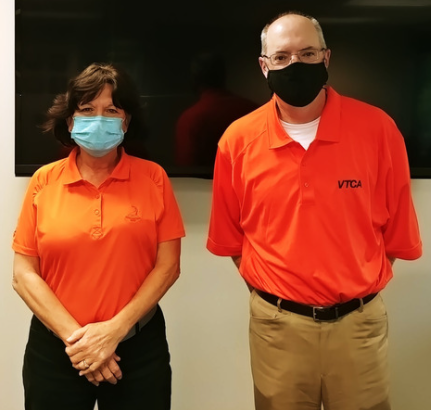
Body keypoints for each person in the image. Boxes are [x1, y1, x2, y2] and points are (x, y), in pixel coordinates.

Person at [206, 11, 422, 410]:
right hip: (276, 330)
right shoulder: (236, 141)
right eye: (282, 56)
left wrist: (352, 290)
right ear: (264, 66)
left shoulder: (378, 130)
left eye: (307, 53)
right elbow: (233, 241)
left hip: (358, 328)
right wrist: (281, 300)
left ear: (326, 58)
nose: (296, 65)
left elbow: (396, 237)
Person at [12, 63, 185, 410]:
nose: (99, 119)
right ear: (70, 120)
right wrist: (82, 344)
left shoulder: (154, 178)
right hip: (57, 350)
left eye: (112, 110)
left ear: (126, 121)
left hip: (137, 349)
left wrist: (113, 332)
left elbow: (168, 267)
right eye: (87, 109)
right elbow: (23, 274)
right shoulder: (43, 181)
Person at [175, 51, 258, 169]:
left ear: (195, 79)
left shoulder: (190, 119)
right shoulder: (253, 111)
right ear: (223, 76)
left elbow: (186, 171)